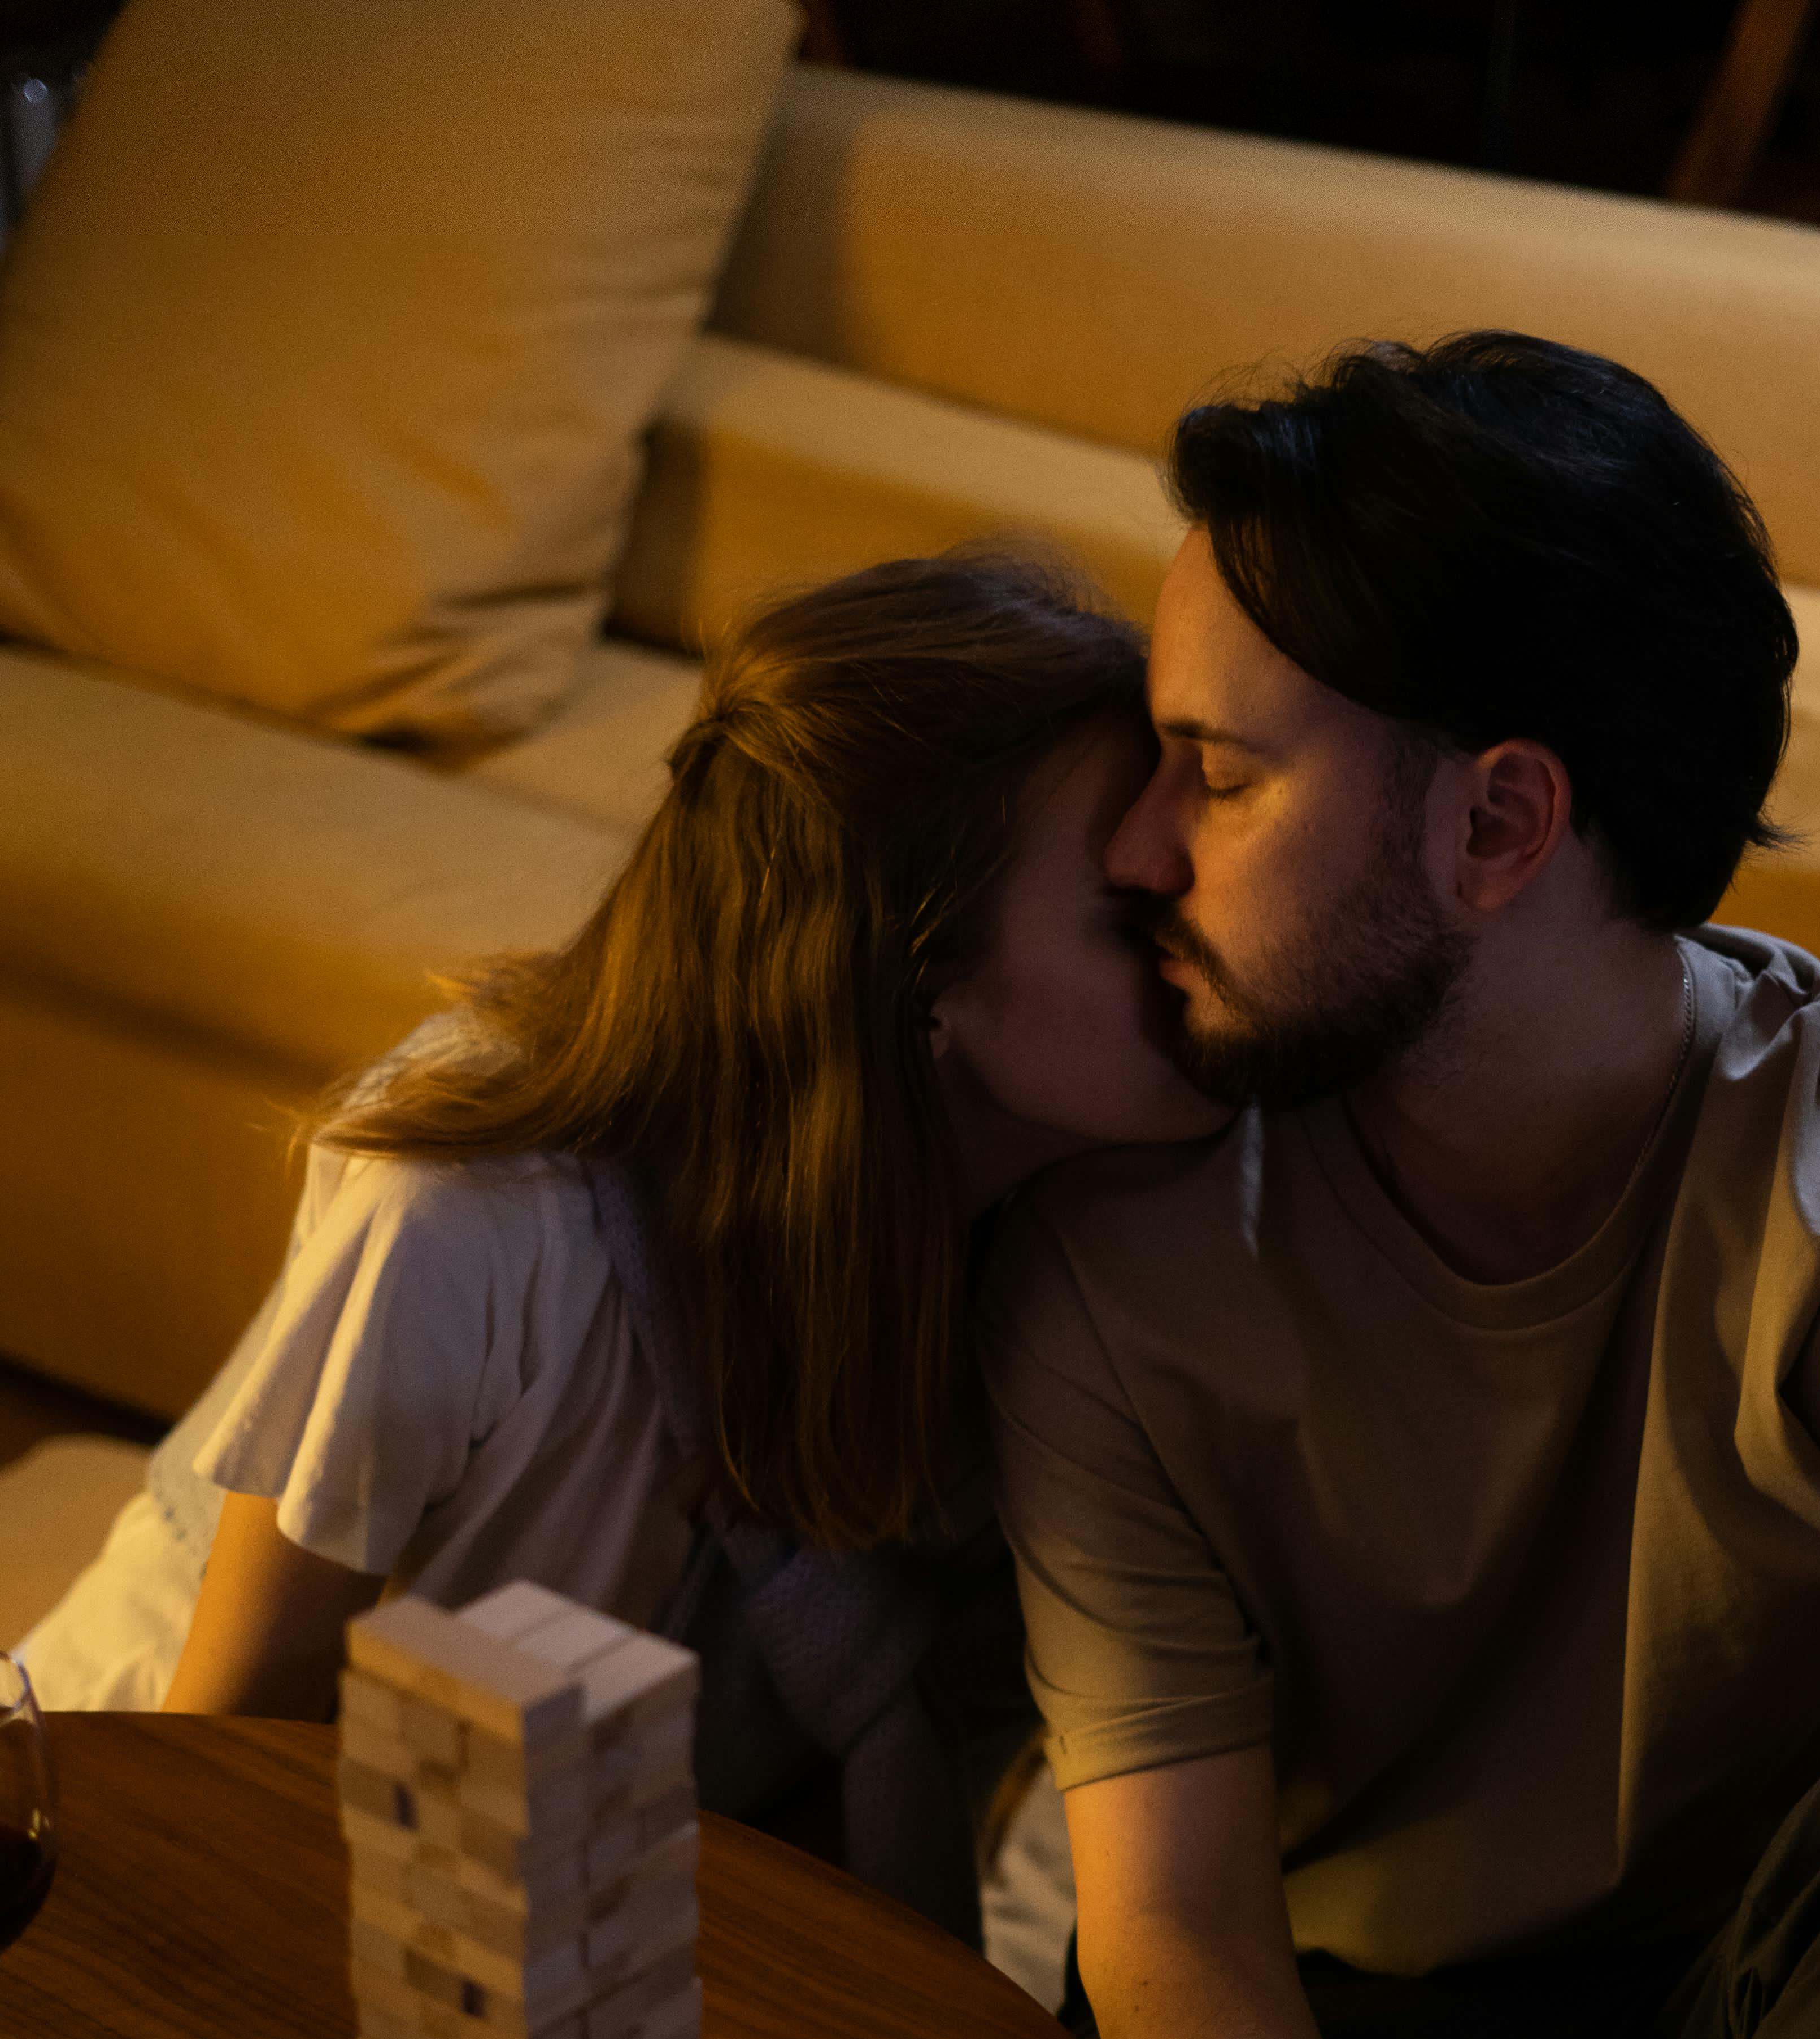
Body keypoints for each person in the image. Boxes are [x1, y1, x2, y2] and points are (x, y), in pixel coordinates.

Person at [979, 333, 1820, 2039]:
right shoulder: (1128, 1231)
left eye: (1218, 775)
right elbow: (1171, 1935)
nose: (1140, 850)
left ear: (1499, 824)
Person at [21, 550, 1227, 1934]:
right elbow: (222, 1748)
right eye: (1132, 914)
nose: (1201, 936)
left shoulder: (1086, 1252)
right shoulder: (474, 1215)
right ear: (916, 975)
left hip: (578, 1940)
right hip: (179, 1850)